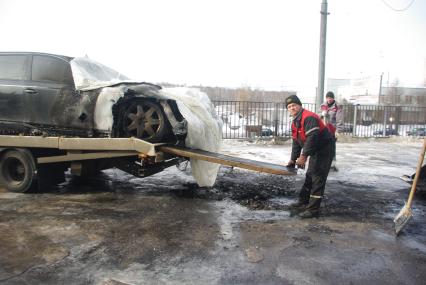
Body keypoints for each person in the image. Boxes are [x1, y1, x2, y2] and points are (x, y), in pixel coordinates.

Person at [286, 95, 334, 218]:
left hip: (324, 148)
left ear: (300, 105)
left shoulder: (309, 117)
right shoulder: (295, 122)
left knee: (318, 177)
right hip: (315, 149)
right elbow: (296, 142)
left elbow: (312, 138)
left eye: (294, 105)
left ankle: (313, 210)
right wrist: (292, 159)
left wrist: (303, 156)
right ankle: (303, 202)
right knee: (310, 175)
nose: (292, 108)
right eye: (289, 107)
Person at [320, 91, 344, 171]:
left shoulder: (338, 107)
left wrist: (338, 131)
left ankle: (333, 164)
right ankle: (323, 163)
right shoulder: (323, 106)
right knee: (323, 146)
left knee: (332, 147)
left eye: (330, 98)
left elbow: (340, 120)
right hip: (324, 130)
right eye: (327, 98)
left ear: (333, 98)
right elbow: (318, 117)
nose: (329, 99)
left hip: (333, 130)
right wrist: (321, 114)